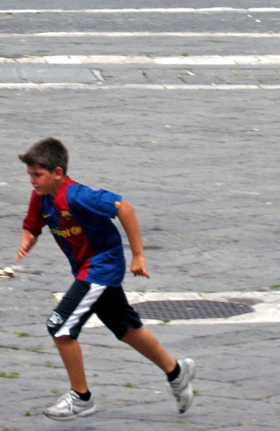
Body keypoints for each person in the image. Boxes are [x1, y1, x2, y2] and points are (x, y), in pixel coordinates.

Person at [15, 137, 196, 420]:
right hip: (88, 270)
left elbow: (125, 209)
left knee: (60, 326)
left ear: (58, 173)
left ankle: (81, 398)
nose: (32, 182)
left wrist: (138, 255)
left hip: (100, 269)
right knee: (127, 330)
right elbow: (32, 225)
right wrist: (28, 240)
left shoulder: (79, 196)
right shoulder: (41, 198)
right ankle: (176, 371)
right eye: (30, 175)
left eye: (38, 175)